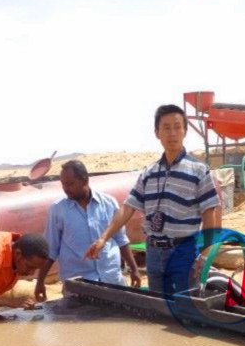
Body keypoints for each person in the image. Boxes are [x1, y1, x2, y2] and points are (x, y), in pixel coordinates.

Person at [85, 104, 221, 294]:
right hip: (154, 253)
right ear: (157, 133)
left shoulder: (199, 170)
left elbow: (209, 215)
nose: (172, 133)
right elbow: (127, 208)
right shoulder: (149, 173)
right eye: (166, 128)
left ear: (185, 131)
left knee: (186, 309)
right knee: (158, 309)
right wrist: (103, 239)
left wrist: (205, 255)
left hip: (184, 252)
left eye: (177, 127)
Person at [35, 160, 140, 301]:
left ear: (85, 180)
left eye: (70, 184)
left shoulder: (109, 203)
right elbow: (51, 250)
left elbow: (121, 240)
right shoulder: (58, 210)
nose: (66, 189)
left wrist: (134, 270)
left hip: (112, 280)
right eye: (63, 184)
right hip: (79, 286)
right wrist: (40, 282)